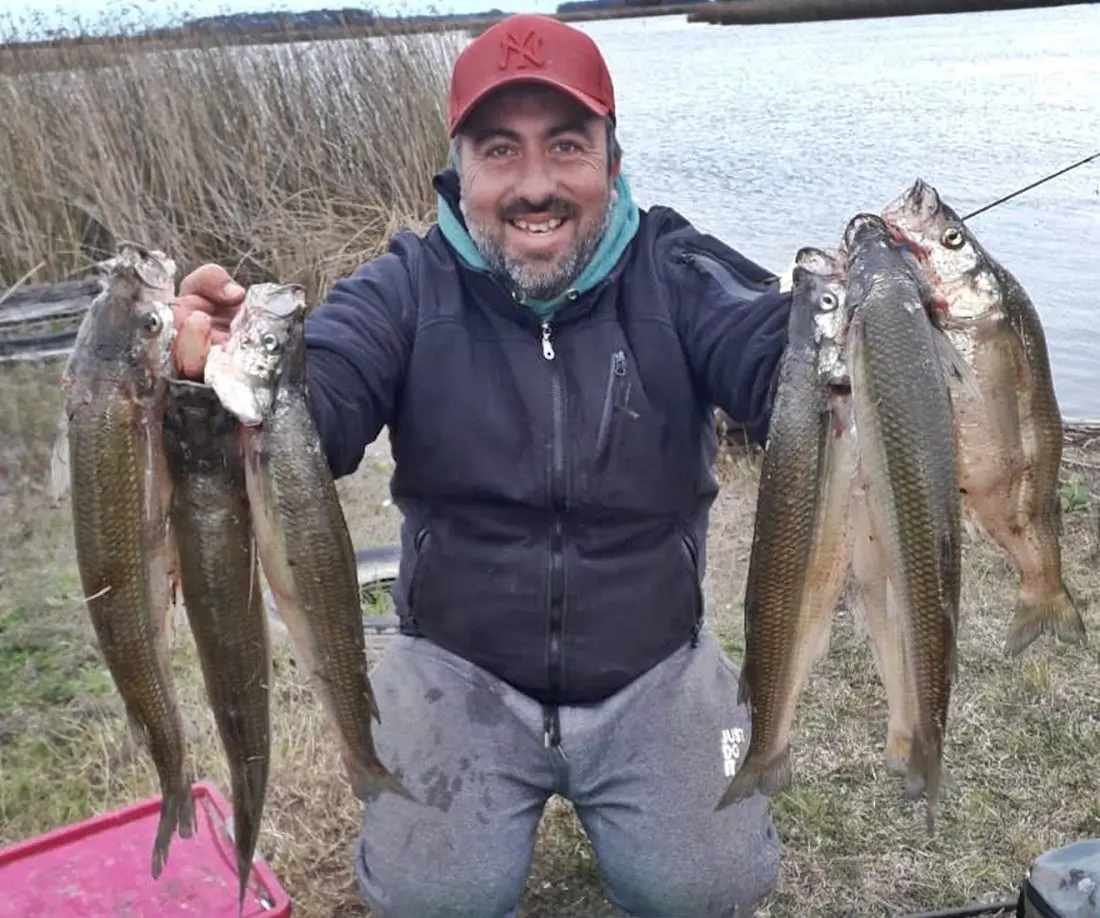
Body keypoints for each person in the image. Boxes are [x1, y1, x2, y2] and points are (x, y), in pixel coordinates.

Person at [173, 13, 792, 918]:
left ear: (613, 164)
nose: (535, 185)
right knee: (433, 899)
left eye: (568, 146)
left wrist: (867, 333)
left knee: (713, 888)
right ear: (459, 169)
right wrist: (223, 372)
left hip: (652, 662)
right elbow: (325, 392)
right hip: (457, 668)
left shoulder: (677, 268)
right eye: (500, 150)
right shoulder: (404, 286)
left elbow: (773, 354)